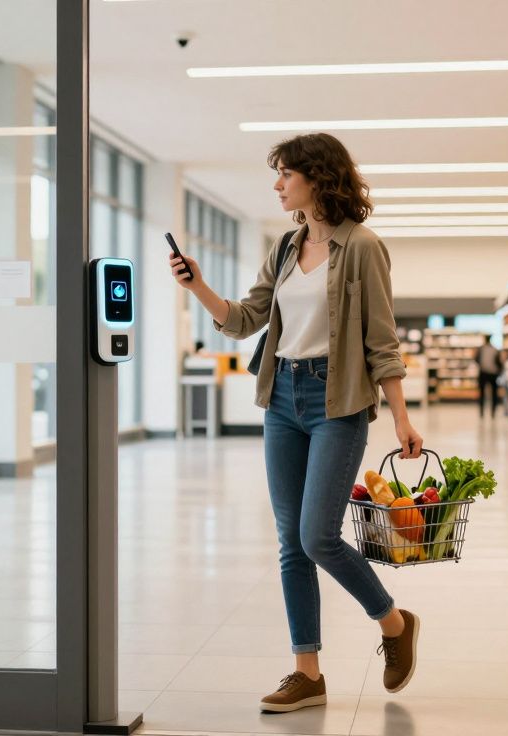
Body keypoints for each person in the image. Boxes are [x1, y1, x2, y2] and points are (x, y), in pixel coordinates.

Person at [170, 132, 423, 714]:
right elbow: (243, 320)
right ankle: (307, 672)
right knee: (291, 544)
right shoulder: (286, 247)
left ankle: (393, 622)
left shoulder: (361, 247)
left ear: (317, 177)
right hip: (282, 398)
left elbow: (381, 340)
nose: (277, 184)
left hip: (338, 401)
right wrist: (198, 286)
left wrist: (402, 418)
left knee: (318, 535)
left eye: (285, 173)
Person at [476, 340, 503, 418]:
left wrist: (482, 366)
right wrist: (498, 371)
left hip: (483, 373)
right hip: (493, 373)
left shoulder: (481, 349)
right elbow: (499, 363)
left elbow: (476, 359)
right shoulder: (495, 349)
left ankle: (482, 412)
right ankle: (493, 412)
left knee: (482, 394)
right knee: (494, 394)